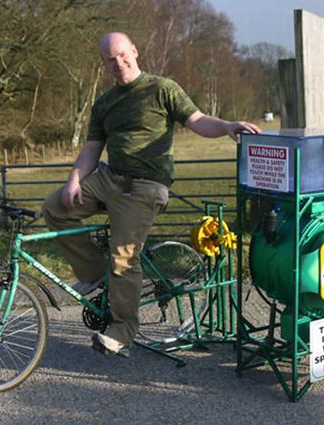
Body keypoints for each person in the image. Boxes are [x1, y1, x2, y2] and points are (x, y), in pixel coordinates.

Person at [42, 32, 261, 358]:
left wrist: (228, 126)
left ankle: (121, 331)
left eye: (122, 55)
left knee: (124, 258)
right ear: (104, 65)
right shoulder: (104, 103)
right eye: (110, 60)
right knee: (54, 208)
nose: (119, 63)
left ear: (135, 51)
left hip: (145, 186)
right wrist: (74, 180)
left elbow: (198, 120)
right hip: (108, 177)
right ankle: (95, 276)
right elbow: (91, 149)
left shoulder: (162, 89)